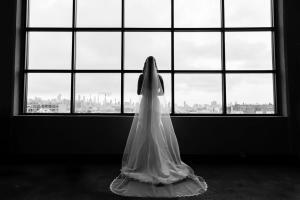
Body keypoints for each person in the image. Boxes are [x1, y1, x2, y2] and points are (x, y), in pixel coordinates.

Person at [110, 56, 207, 197]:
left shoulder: (141, 77)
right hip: (155, 103)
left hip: (145, 104)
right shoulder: (159, 77)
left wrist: (146, 91)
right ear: (155, 65)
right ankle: (159, 164)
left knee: (144, 132)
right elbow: (162, 93)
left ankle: (142, 164)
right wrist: (154, 91)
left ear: (145, 65)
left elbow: (139, 92)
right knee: (156, 132)